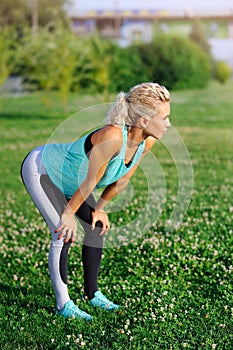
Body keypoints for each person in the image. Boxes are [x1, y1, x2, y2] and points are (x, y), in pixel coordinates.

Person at [21, 82, 171, 321]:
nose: (168, 124)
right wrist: (68, 214)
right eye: (164, 118)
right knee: (62, 233)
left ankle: (92, 294)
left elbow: (122, 179)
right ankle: (64, 305)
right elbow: (92, 180)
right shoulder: (112, 137)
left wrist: (99, 209)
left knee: (96, 227)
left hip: (72, 183)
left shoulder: (146, 141)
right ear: (143, 121)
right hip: (43, 170)